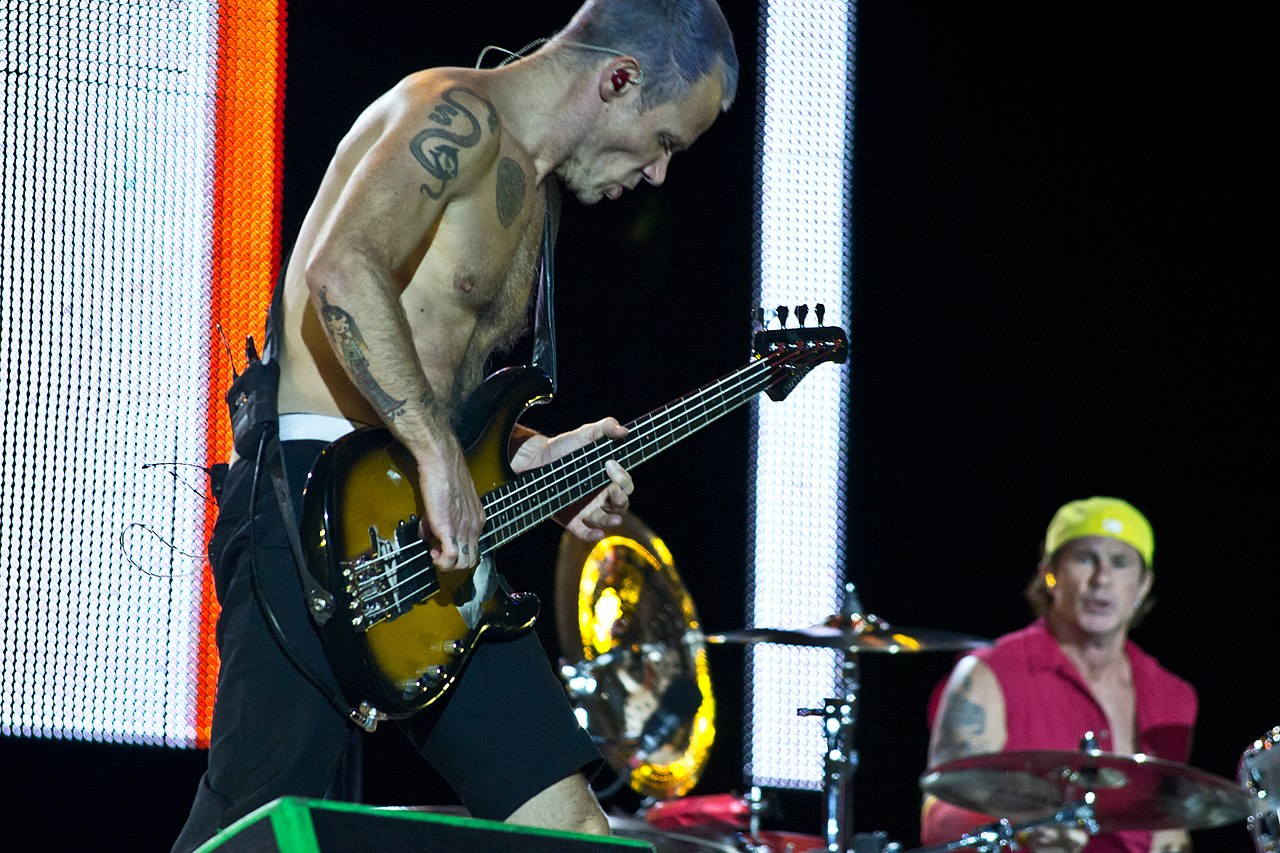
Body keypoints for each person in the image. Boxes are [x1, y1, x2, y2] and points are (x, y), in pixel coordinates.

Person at [172, 2, 739, 850]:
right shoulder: (456, 114)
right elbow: (341, 268)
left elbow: (437, 389)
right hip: (310, 512)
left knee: (575, 834)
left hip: (429, 556)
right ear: (619, 79)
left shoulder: (536, 203)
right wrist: (437, 454)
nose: (658, 175)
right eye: (663, 142)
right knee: (243, 835)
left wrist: (531, 456)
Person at [921, 497, 1197, 853]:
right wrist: (1023, 830)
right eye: (1085, 559)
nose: (1101, 579)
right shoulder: (986, 674)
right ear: (1049, 574)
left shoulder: (1175, 696)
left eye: (1120, 563)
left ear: (1143, 585)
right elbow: (939, 819)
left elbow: (1168, 830)